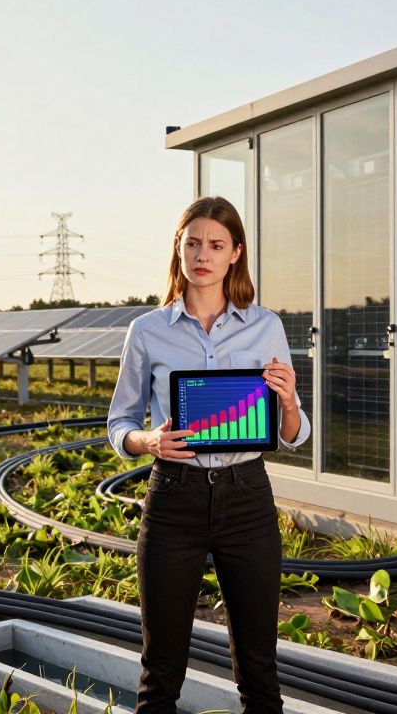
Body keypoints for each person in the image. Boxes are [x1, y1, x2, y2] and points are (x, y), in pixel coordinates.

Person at [107, 195, 311, 714]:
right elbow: (119, 423)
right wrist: (148, 441)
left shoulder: (266, 326)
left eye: (216, 245)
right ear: (178, 250)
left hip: (248, 500)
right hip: (174, 499)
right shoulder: (147, 331)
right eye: (193, 242)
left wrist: (287, 400)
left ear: (235, 253)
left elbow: (294, 433)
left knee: (260, 671)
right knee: (160, 674)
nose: (203, 254)